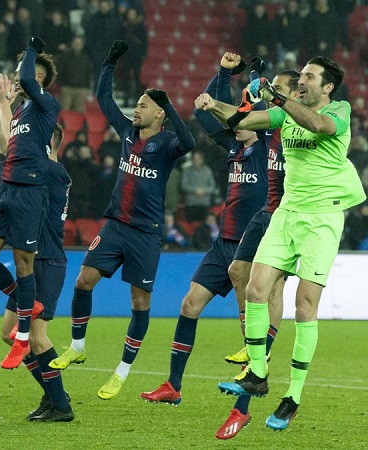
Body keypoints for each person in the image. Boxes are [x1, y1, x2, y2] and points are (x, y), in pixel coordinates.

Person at [203, 56, 364, 430]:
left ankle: (293, 397)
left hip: (322, 218)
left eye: (310, 76)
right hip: (287, 214)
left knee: (304, 307)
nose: (302, 80)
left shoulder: (338, 110)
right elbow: (240, 121)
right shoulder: (285, 113)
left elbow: (319, 126)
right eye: (301, 75)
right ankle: (257, 374)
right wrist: (213, 105)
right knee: (255, 289)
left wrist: (277, 98)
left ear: (327, 87)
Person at [49, 40, 195, 403]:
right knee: (83, 281)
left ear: (159, 115)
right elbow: (104, 99)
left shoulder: (167, 143)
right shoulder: (128, 132)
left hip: (146, 233)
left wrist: (170, 105)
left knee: (139, 302)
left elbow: (190, 141)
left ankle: (122, 371)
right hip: (115, 225)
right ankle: (77, 346)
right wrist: (110, 62)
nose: (137, 109)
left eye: (144, 106)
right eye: (138, 104)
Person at [139, 53, 272, 413]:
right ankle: (173, 385)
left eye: (243, 119)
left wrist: (255, 81)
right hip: (223, 241)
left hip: (251, 245)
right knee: (189, 304)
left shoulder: (268, 149)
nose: (236, 124)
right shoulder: (233, 146)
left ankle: (250, 388)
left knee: (249, 323)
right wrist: (223, 74)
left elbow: (264, 112)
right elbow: (204, 114)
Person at [216, 61, 301, 440]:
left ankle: (260, 356)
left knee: (275, 289)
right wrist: (251, 80)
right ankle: (255, 345)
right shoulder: (272, 122)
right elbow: (245, 113)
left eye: (280, 88)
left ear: (295, 93)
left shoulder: (300, 125)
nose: (273, 93)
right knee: (238, 272)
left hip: (289, 216)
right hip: (265, 211)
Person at [0, 36, 60, 369]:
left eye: (22, 71)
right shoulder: (23, 111)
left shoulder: (47, 105)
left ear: (37, 78)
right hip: (6, 188)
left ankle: (22, 337)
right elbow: (3, 146)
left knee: (24, 263)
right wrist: (2, 105)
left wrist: (33, 49)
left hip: (29, 191)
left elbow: (25, 75)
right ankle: (25, 300)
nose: (16, 76)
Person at [0, 72, 73, 421]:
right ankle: (53, 394)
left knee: (36, 338)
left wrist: (7, 107)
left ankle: (61, 405)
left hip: (47, 261)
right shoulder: (40, 169)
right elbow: (7, 147)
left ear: (49, 141)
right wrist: (1, 104)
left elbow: (6, 147)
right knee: (8, 333)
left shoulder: (52, 172)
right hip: (31, 260)